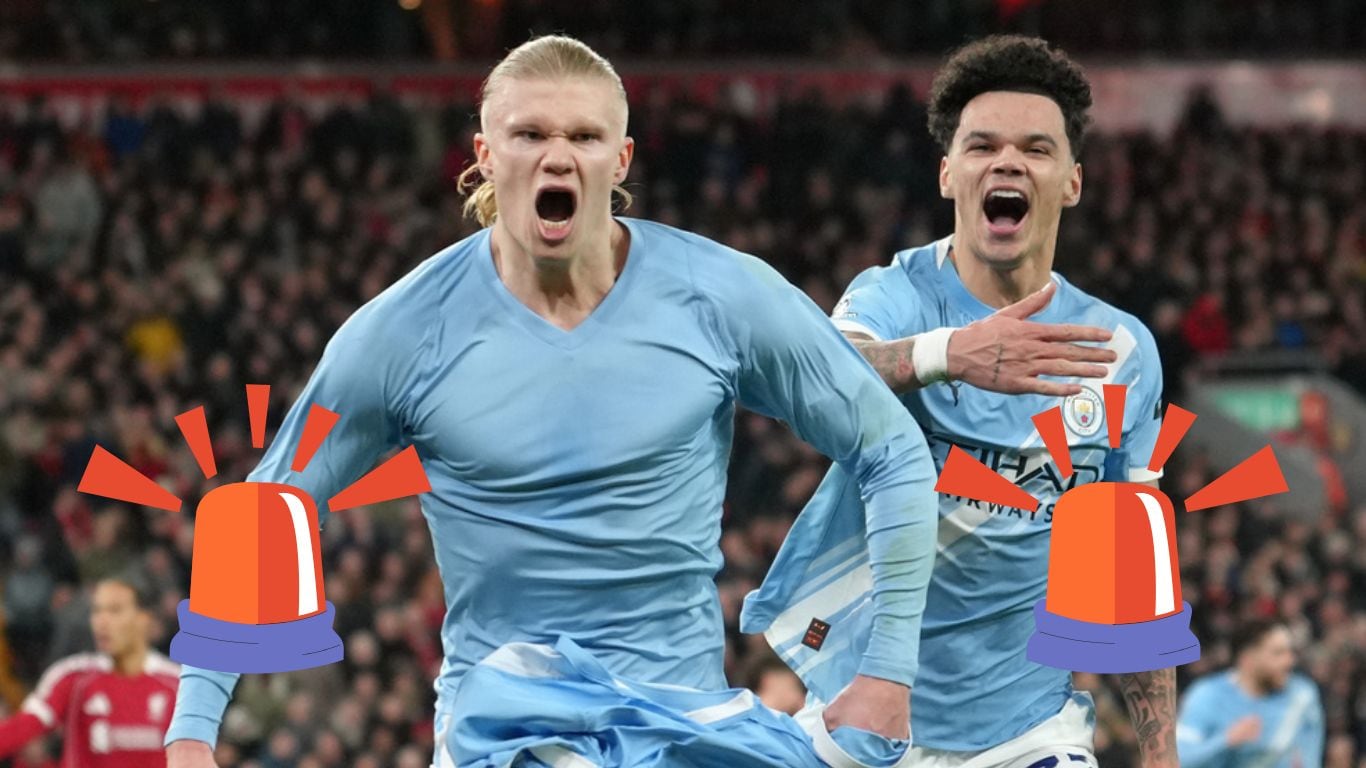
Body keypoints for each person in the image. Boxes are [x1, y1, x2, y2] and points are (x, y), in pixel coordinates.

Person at [166, 34, 942, 768]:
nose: (558, 155)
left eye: (584, 136)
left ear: (621, 158)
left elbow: (889, 447)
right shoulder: (404, 332)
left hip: (676, 723)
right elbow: (268, 511)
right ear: (484, 154)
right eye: (530, 134)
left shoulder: (719, 296)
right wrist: (192, 735)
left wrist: (888, 670)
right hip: (499, 735)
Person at [743, 35, 1182, 767]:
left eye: (1036, 149)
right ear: (949, 174)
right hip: (868, 707)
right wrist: (947, 355)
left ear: (1072, 181)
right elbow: (817, 373)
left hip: (1029, 731)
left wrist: (1160, 754)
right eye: (982, 146)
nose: (1007, 162)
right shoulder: (894, 296)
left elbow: (1131, 572)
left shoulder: (1121, 352)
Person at [0, 575, 181, 766]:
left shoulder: (179, 685)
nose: (102, 622)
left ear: (144, 619)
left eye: (115, 610)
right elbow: (22, 728)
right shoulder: (71, 676)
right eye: (97, 611)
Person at [1176, 618, 1324, 767]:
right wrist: (1227, 740)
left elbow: (1310, 756)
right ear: (1247, 659)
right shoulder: (1207, 695)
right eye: (1278, 653)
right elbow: (1180, 758)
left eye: (1290, 652)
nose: (1289, 661)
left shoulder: (1301, 696)